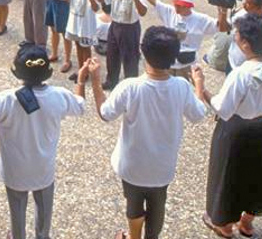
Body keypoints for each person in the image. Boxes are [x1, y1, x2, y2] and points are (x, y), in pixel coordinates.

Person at [85, 27, 208, 239]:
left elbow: (105, 114)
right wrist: (198, 85)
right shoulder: (181, 87)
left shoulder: (130, 87)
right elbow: (198, 114)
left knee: (133, 203)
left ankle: (133, 237)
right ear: (174, 55)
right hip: (162, 166)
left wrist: (95, 79)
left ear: (142, 51)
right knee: (158, 204)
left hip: (132, 164)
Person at [194, 14, 262, 239]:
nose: (235, 36)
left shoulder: (242, 74)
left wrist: (201, 88)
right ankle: (247, 223)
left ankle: (224, 225)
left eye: (237, 34)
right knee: (259, 175)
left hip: (237, 130)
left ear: (245, 44)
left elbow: (223, 108)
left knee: (228, 176)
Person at [0, 44, 85, 239]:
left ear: (18, 72)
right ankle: (42, 236)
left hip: (15, 171)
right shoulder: (59, 96)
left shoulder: (7, 99)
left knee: (17, 211)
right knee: (44, 209)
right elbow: (80, 106)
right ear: (47, 71)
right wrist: (81, 80)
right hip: (43, 169)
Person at [137, 0, 218, 79]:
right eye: (176, 4)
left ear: (188, 6)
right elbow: (155, 2)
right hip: (169, 63)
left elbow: (219, 26)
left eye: (180, 5)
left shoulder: (201, 19)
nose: (176, 7)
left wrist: (222, 11)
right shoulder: (170, 12)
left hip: (187, 65)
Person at [93, 0, 148, 90]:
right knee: (112, 55)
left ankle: (131, 85)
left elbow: (143, 12)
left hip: (130, 28)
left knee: (130, 58)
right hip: (115, 25)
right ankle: (111, 81)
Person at [216, 0, 262, 75]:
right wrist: (223, 11)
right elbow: (224, 28)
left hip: (250, 71)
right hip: (232, 63)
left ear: (260, 7)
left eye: (248, 3)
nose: (244, 5)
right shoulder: (243, 13)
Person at [59, 0, 102, 80]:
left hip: (86, 22)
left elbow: (96, 7)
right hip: (75, 19)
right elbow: (71, 0)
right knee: (77, 44)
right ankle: (81, 69)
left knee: (85, 47)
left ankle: (86, 71)